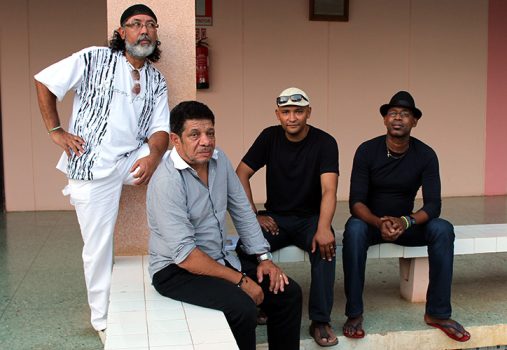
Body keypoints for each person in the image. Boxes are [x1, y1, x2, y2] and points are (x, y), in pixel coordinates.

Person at [34, 4, 169, 343]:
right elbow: (45, 82)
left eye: (150, 25)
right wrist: (55, 130)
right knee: (98, 244)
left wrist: (153, 157)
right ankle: (102, 318)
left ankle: (179, 263)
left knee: (175, 162)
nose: (144, 30)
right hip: (91, 164)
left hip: (129, 160)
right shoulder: (94, 58)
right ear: (121, 32)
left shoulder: (156, 80)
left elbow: (161, 130)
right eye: (136, 24)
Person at [147, 101, 302, 350]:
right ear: (176, 140)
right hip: (176, 270)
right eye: (195, 135)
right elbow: (186, 256)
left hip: (220, 259)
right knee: (242, 308)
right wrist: (241, 281)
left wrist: (264, 258)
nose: (206, 141)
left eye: (210, 133)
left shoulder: (219, 161)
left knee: (287, 292)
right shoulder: (167, 181)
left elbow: (242, 210)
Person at [342, 91, 471, 342]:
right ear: (385, 120)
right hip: (372, 224)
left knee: (442, 229)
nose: (398, 118)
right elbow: (355, 202)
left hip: (406, 225)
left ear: (414, 122)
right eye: (393, 113)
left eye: (405, 114)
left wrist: (405, 221)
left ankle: (438, 313)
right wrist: (379, 222)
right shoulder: (367, 151)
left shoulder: (425, 155)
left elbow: (434, 205)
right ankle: (354, 313)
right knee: (354, 230)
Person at [236, 87, 340, 347]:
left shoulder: (325, 142)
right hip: (276, 219)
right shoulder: (269, 137)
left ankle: (319, 319)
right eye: (286, 112)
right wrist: (254, 216)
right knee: (244, 247)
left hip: (309, 219)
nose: (292, 117)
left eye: (298, 111)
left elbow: (329, 189)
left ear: (308, 113)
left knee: (326, 249)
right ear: (278, 114)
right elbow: (241, 173)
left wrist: (324, 227)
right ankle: (261, 302)